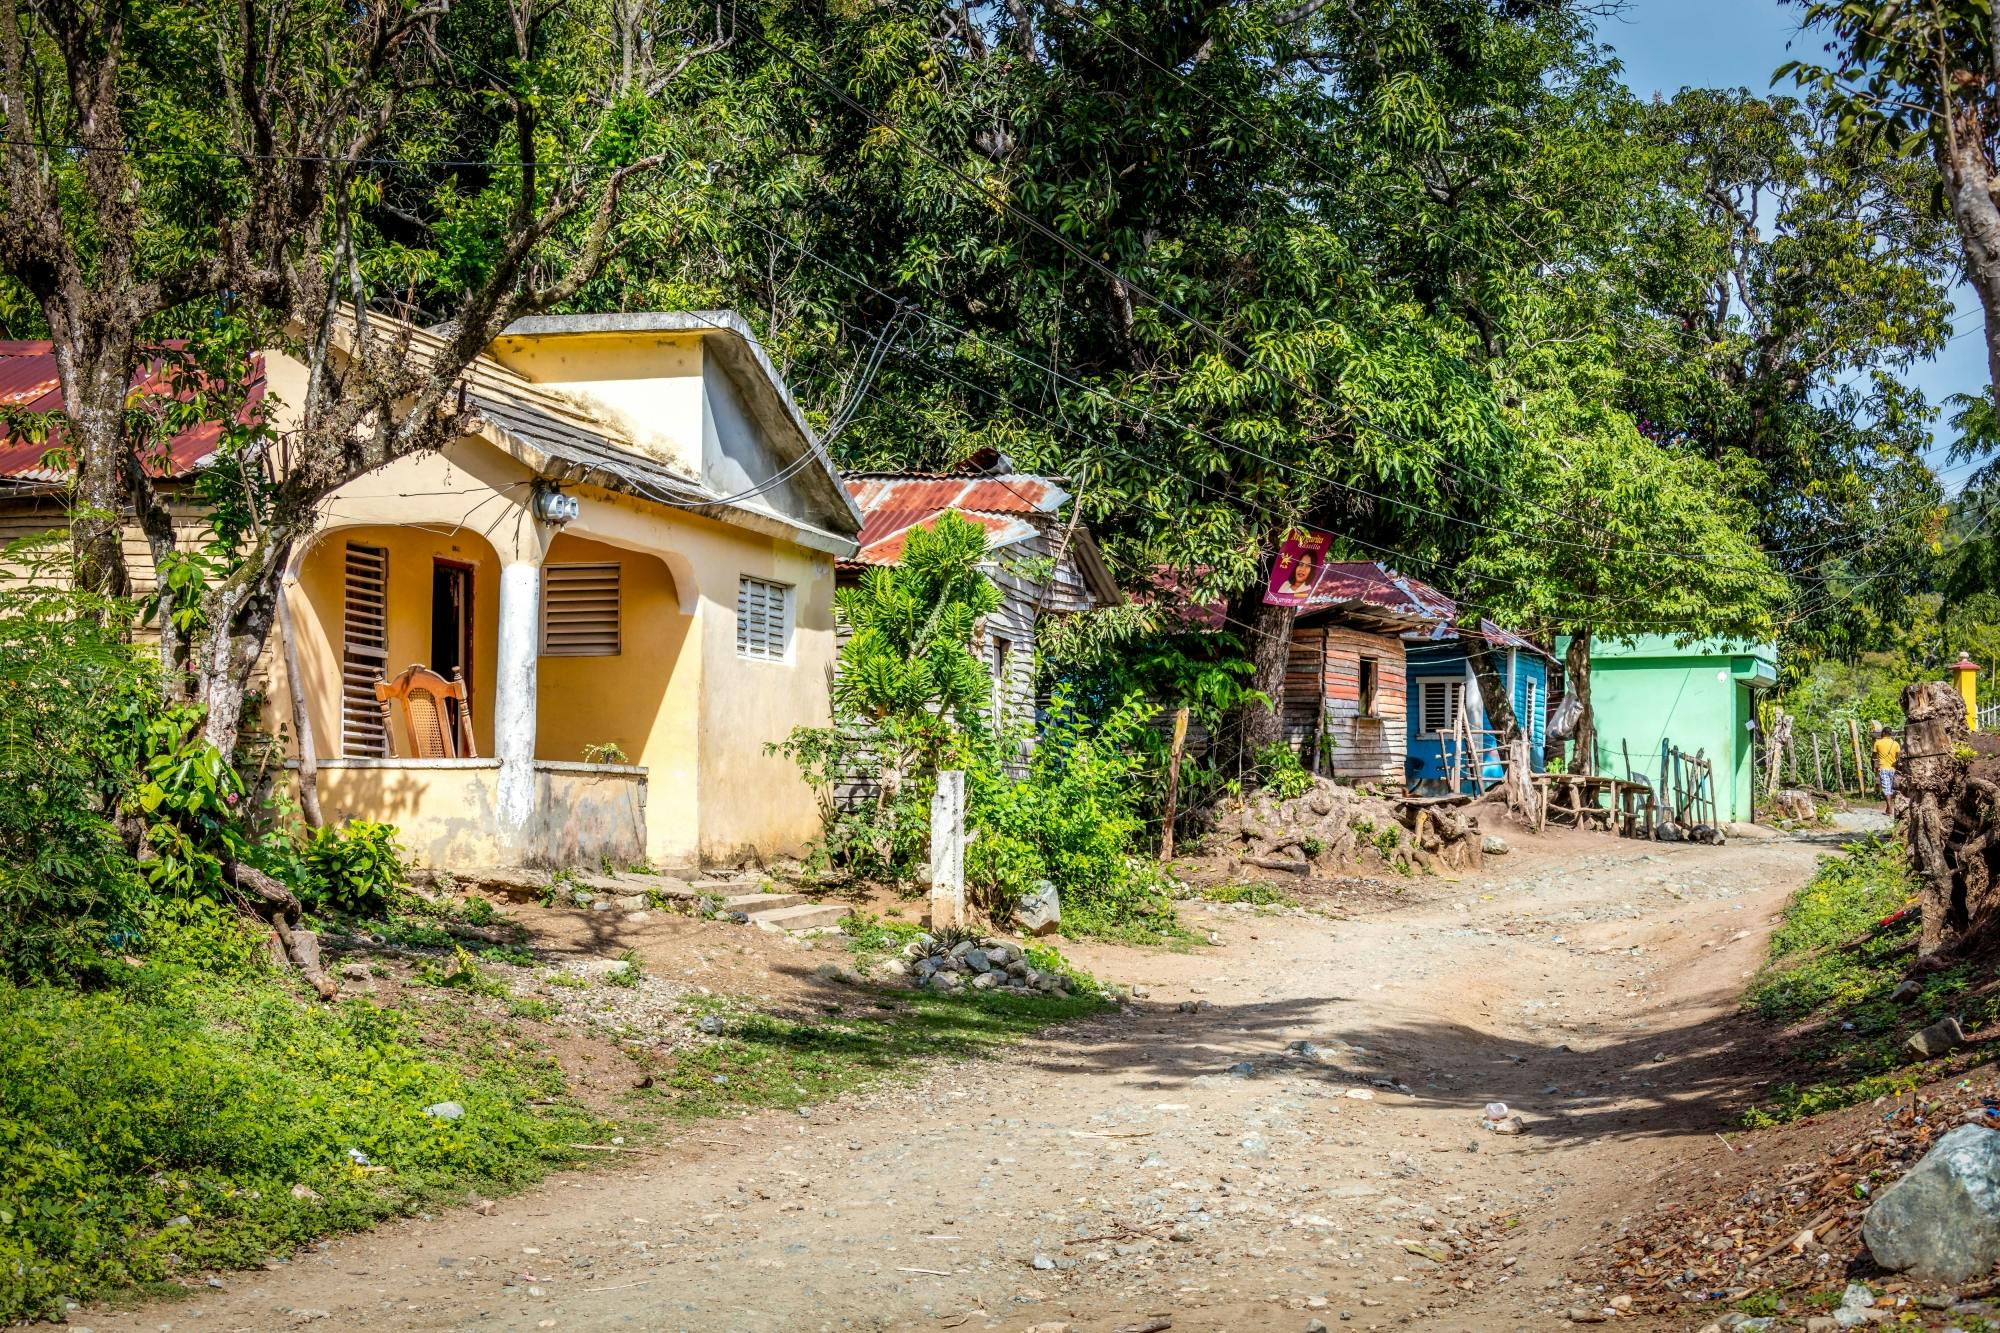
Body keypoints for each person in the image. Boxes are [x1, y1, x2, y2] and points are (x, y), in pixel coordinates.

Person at [1871, 722, 1901, 817]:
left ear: (1883, 733)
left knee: (1886, 788)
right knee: (1893, 788)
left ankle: (1889, 808)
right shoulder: (1895, 743)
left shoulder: (1878, 743)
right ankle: (1891, 807)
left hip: (1883, 768)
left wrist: (1874, 766)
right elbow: (1899, 756)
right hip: (1893, 769)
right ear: (1890, 734)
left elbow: (1874, 756)